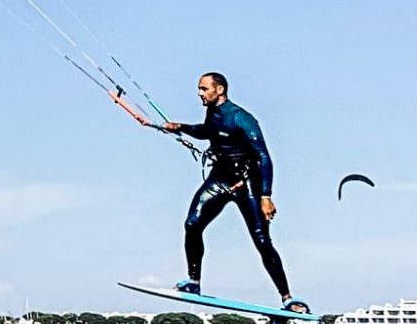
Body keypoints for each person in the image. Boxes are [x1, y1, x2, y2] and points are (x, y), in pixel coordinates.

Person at [114, 72, 305, 311]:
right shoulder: (212, 113)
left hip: (248, 185)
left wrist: (266, 196)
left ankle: (287, 298)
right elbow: (206, 131)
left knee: (262, 241)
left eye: (204, 89)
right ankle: (194, 282)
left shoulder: (241, 118)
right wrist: (180, 127)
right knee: (192, 224)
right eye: (199, 89)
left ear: (220, 89)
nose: (200, 94)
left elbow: (264, 157)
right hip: (219, 180)